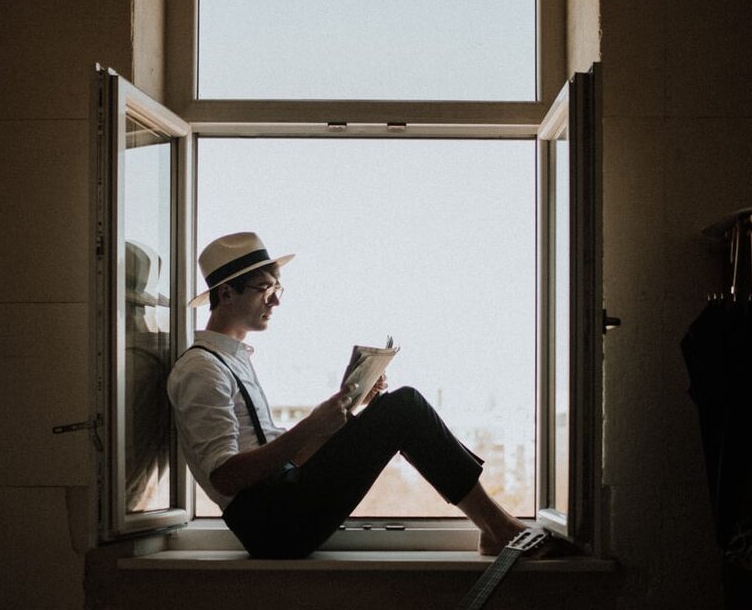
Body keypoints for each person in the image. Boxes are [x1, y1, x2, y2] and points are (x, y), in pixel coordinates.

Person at [168, 231, 533, 559]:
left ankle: (494, 529)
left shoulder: (234, 361)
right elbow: (225, 478)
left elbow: (285, 457)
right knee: (405, 407)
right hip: (271, 523)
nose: (275, 301)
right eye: (265, 289)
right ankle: (498, 529)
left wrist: (349, 409)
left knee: (394, 409)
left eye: (278, 289)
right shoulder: (202, 370)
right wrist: (312, 424)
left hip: (280, 506)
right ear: (227, 293)